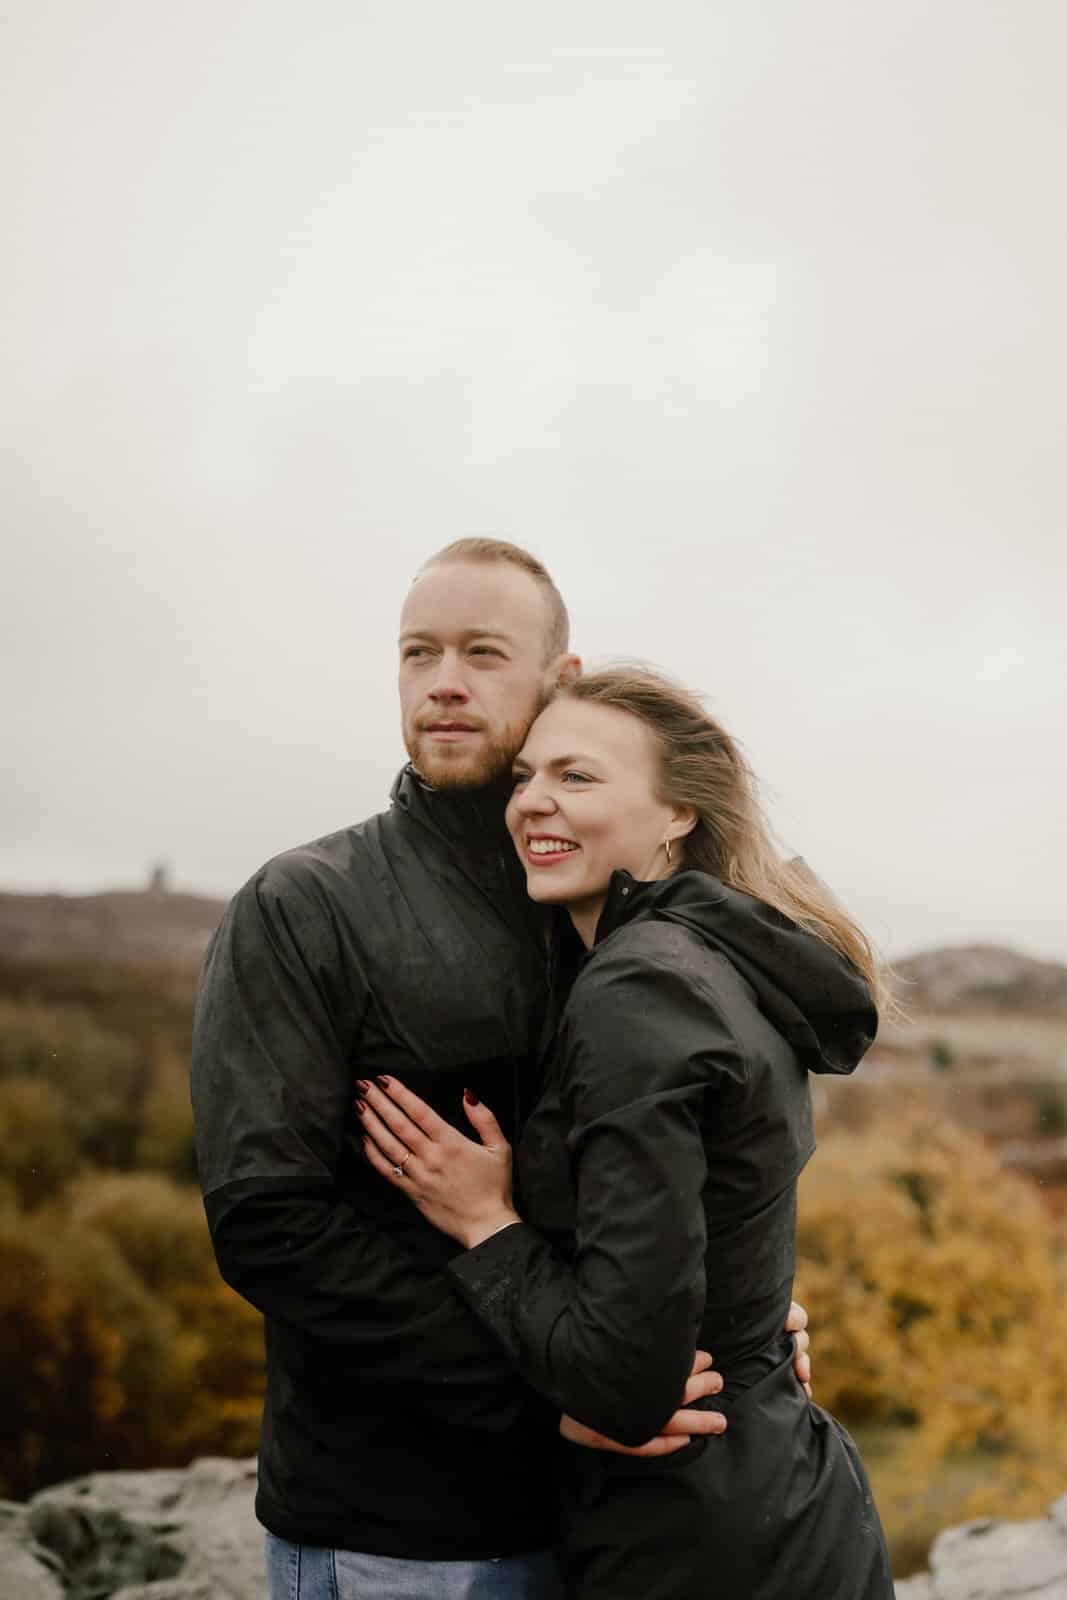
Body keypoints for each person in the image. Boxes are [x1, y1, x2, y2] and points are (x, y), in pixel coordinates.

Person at [191, 542, 814, 1600]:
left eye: (482, 653)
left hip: (613, 1517)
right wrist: (555, 1387)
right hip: (403, 1532)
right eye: (417, 653)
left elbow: (660, 1167)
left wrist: (741, 1316)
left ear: (558, 680)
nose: (443, 681)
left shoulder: (603, 908)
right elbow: (269, 1225)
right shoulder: (303, 905)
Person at [357, 666, 895, 1598]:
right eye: (524, 776)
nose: (531, 801)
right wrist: (745, 1317)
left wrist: (487, 1224)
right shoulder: (710, 959)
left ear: (677, 813)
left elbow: (626, 1383)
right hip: (776, 1496)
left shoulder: (637, 988)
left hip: (697, 1542)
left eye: (576, 776)